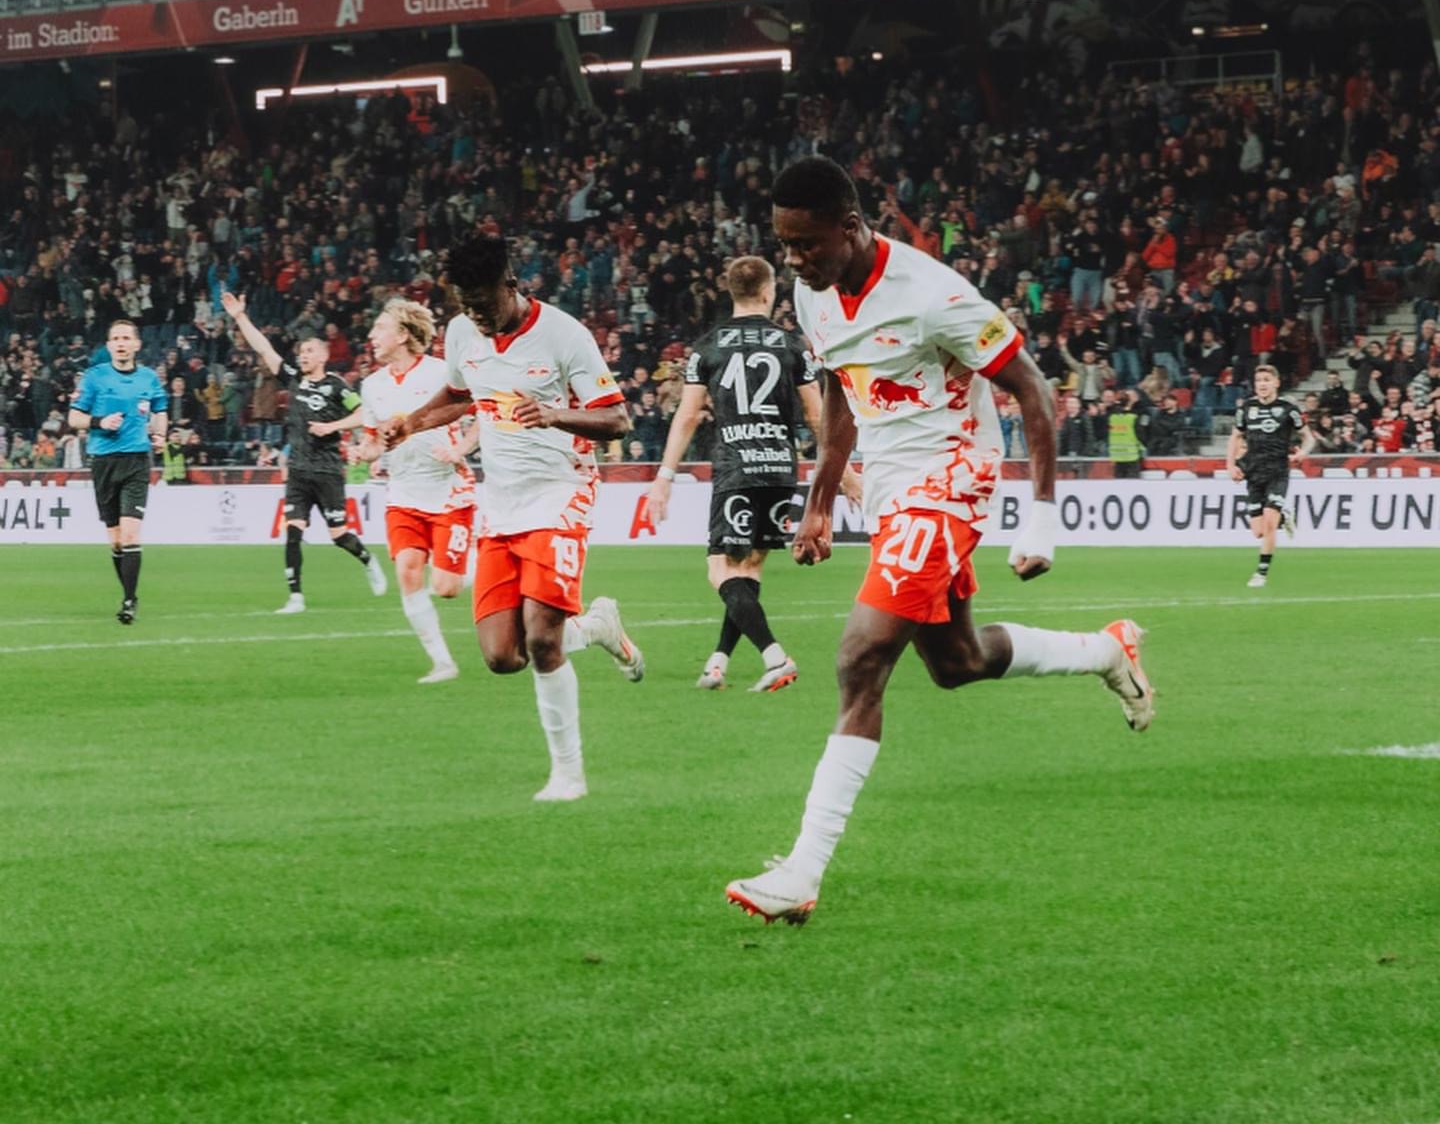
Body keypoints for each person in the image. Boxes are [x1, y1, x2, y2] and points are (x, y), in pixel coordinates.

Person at [725, 158, 1156, 926]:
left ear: (850, 228)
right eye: (785, 245)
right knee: (956, 663)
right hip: (891, 488)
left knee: (860, 659)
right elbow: (841, 387)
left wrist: (1042, 515)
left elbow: (1033, 389)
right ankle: (1106, 651)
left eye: (806, 244)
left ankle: (801, 873)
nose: (794, 260)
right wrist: (821, 500)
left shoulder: (935, 295)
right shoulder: (814, 291)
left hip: (952, 475)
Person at [383, 234, 644, 803]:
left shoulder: (564, 335)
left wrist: (552, 414)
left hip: (561, 492)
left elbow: (618, 420)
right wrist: (413, 423)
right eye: (465, 305)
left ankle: (568, 775)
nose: (475, 315)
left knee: (543, 641)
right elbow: (462, 395)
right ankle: (597, 628)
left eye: (482, 303)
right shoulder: (462, 332)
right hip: (500, 503)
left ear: (511, 285)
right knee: (503, 656)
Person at [645, 255, 861, 692]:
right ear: (768, 292)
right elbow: (817, 415)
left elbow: (688, 416)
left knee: (720, 571)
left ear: (730, 291)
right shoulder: (792, 345)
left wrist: (664, 477)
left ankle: (775, 657)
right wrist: (846, 473)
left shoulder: (708, 347)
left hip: (736, 467)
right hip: (780, 468)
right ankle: (718, 661)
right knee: (749, 571)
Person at [220, 292, 388, 612]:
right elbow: (264, 349)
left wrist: (332, 426)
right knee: (293, 533)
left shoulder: (336, 386)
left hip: (327, 471)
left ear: (323, 355)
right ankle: (295, 596)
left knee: (339, 535)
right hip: (298, 470)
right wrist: (240, 317)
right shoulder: (294, 379)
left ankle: (368, 560)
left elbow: (363, 414)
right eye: (301, 351)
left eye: (309, 351)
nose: (303, 356)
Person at [354, 298, 477, 684]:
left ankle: (493, 561)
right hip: (403, 494)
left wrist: (460, 448)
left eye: (379, 327)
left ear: (403, 334)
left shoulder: (442, 373)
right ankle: (442, 663)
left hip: (448, 490)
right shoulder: (372, 385)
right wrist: (364, 451)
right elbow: (373, 442)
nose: (372, 335)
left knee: (446, 587)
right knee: (407, 571)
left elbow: (484, 415)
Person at [66, 319, 168, 624]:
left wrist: (160, 435)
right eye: (116, 338)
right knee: (116, 540)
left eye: (126, 338)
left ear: (137, 344)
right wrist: (100, 422)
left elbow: (160, 411)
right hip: (103, 462)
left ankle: (128, 602)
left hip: (136, 460)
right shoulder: (95, 377)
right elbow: (74, 418)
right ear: (109, 345)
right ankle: (129, 594)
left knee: (131, 533)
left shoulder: (149, 378)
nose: (121, 343)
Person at [1226, 362, 1314, 589]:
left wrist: (1303, 453)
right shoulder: (1247, 408)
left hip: (1277, 471)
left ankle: (1261, 573)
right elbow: (1235, 437)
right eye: (1258, 381)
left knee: (1269, 523)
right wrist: (1231, 465)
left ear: (1276, 383)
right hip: (1253, 472)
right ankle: (1285, 517)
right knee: (1258, 531)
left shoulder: (1288, 409)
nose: (1262, 385)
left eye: (1266, 380)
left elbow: (1308, 437)